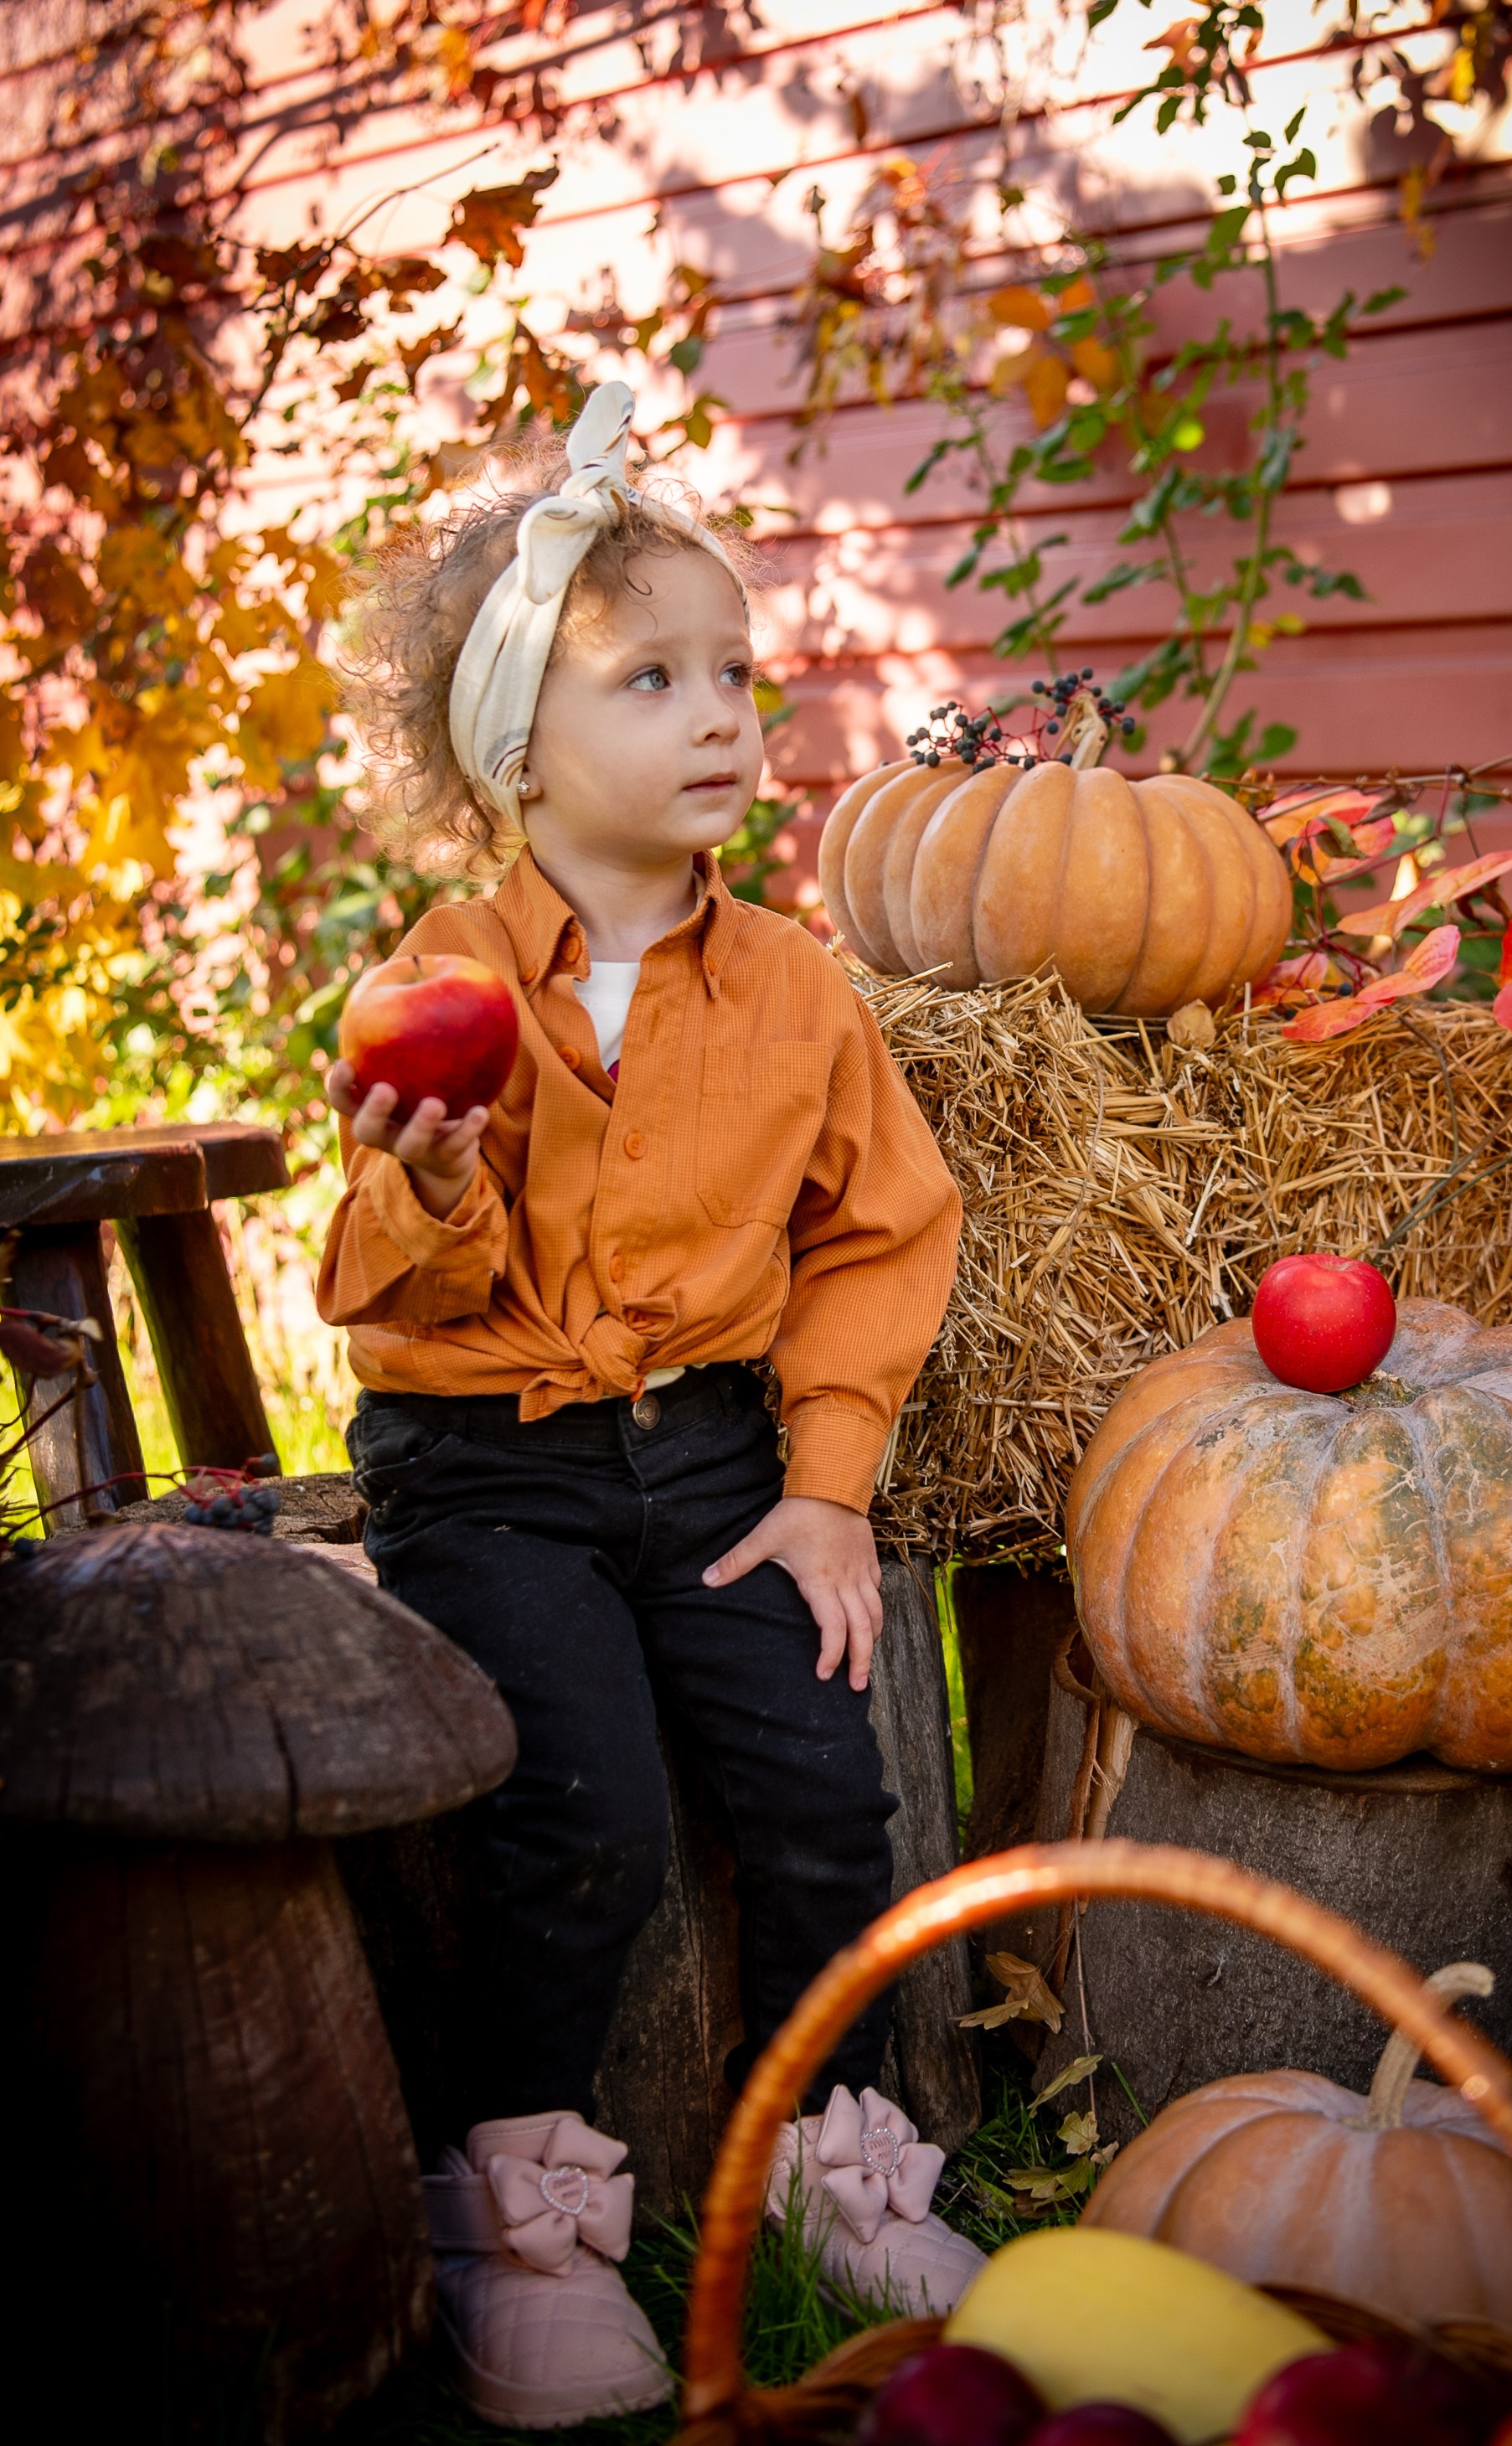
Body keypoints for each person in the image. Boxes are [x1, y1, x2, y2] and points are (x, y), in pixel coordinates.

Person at [318, 383, 981, 2429]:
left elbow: (882, 1229)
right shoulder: (440, 979)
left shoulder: (792, 985)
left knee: (816, 1780)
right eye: (655, 678)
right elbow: (370, 1286)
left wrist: (829, 1484)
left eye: (736, 676)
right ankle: (514, 2203)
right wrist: (429, 1189)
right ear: (516, 743)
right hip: (490, 1460)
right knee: (577, 1809)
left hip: (705, 1445)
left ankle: (834, 2153)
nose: (722, 716)